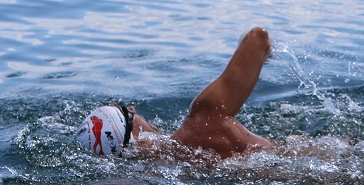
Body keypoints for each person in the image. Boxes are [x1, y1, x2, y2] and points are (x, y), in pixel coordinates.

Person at [76, 27, 276, 159]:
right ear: (138, 138)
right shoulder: (203, 119)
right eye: (127, 113)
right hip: (298, 163)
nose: (132, 108)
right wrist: (263, 54)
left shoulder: (158, 169)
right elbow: (258, 38)